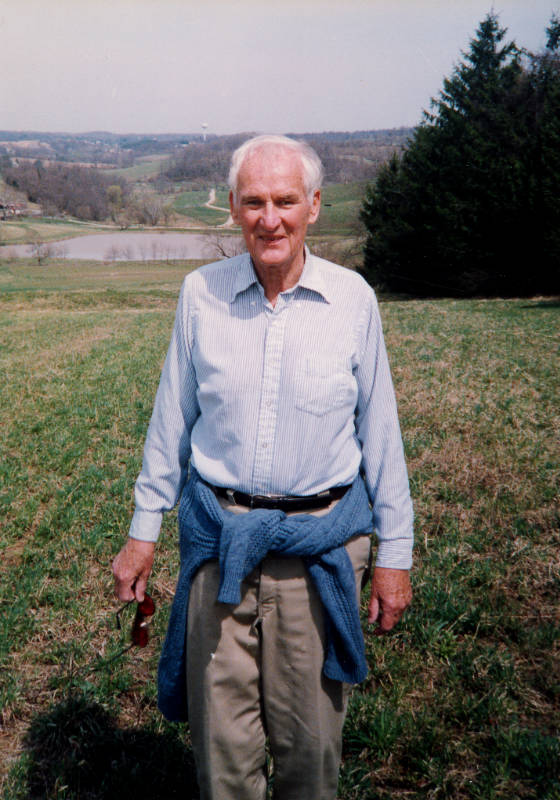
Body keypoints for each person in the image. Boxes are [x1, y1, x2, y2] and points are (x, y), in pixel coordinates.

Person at [112, 134, 413, 800]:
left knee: (309, 754)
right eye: (253, 201)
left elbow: (382, 437)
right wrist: (141, 535)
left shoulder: (353, 301)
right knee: (222, 757)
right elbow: (172, 420)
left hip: (319, 550)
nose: (268, 218)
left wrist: (396, 556)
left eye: (283, 201)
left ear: (313, 206)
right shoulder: (200, 296)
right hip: (219, 544)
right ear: (231, 207)